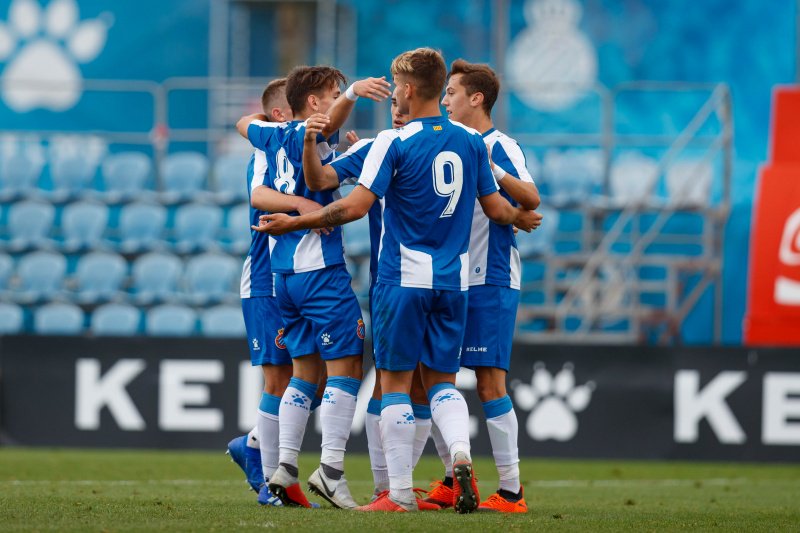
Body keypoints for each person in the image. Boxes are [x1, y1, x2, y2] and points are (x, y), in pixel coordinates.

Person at [253, 47, 539, 513]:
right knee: (444, 382)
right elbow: (498, 208)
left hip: (401, 279)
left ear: (406, 90)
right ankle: (461, 458)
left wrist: (295, 221)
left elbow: (347, 203)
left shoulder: (389, 143)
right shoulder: (471, 143)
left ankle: (398, 493)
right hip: (456, 281)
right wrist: (523, 217)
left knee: (394, 386)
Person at [237, 66, 391, 509]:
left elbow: (245, 123)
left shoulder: (271, 136)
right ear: (314, 104)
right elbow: (331, 124)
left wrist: (258, 123)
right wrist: (357, 94)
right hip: (319, 269)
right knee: (345, 369)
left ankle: (284, 467)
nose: (339, 99)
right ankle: (331, 472)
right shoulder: (310, 133)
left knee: (304, 375)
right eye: (334, 94)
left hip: (282, 275)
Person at [301, 89, 438, 510]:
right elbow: (321, 177)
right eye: (393, 112)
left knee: (419, 382)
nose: (398, 117)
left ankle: (399, 484)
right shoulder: (381, 147)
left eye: (402, 110)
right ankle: (388, 487)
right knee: (395, 381)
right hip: (402, 279)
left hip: (412, 280)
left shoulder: (390, 146)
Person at [424, 59, 541, 513]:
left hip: (491, 275)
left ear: (477, 98)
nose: (446, 99)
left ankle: (511, 490)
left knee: (491, 382)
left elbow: (531, 198)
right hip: (450, 278)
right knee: (438, 378)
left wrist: (489, 165)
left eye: (452, 92)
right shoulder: (449, 141)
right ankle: (453, 478)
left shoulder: (499, 144)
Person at [226, 78, 326, 507]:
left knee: (315, 377)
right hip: (268, 280)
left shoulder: (305, 150)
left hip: (295, 277)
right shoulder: (265, 154)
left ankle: (252, 444)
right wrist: (304, 206)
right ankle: (270, 481)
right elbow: (260, 196)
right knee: (281, 377)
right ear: (282, 116)